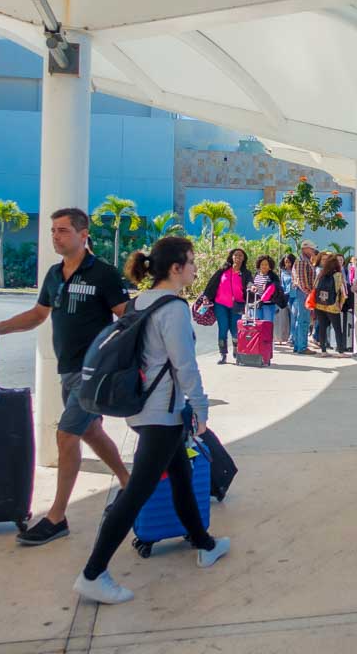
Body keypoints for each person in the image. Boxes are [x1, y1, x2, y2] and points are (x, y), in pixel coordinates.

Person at [73, 236, 230, 604]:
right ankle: (92, 572)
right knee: (136, 493)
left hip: (144, 409)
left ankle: (204, 542)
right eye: (191, 262)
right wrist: (202, 409)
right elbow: (184, 365)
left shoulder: (140, 301)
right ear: (175, 269)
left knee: (181, 474)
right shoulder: (174, 309)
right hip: (162, 412)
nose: (194, 268)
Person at [0, 207, 131, 546]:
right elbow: (38, 315)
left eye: (62, 231)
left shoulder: (104, 274)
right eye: (53, 231)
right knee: (89, 430)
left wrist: (114, 362)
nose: (56, 237)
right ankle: (128, 482)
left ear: (83, 234)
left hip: (94, 373)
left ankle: (57, 517)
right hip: (69, 370)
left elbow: (125, 319)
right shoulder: (54, 275)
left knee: (66, 435)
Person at [202, 248, 251, 364]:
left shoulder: (246, 273)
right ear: (231, 257)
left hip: (237, 305)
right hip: (221, 304)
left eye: (240, 256)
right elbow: (212, 282)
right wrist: (206, 295)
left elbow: (249, 282)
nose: (238, 258)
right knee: (222, 329)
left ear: (243, 259)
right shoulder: (223, 270)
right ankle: (223, 355)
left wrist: (251, 286)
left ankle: (236, 349)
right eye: (236, 255)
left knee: (235, 330)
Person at [313, 253, 347, 356]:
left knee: (323, 327)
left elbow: (314, 287)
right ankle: (341, 352)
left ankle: (323, 351)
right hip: (332, 305)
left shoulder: (321, 274)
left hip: (319, 305)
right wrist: (341, 304)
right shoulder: (338, 275)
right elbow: (342, 292)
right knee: (337, 328)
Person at [292, 241, 318, 355]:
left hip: (302, 293)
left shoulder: (303, 261)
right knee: (304, 320)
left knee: (300, 319)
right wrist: (310, 294)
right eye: (311, 249)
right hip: (304, 293)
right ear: (305, 249)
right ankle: (302, 347)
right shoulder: (302, 261)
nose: (313, 252)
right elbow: (302, 281)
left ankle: (298, 345)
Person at [276, 253, 296, 347]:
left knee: (294, 317)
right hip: (286, 296)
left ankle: (292, 338)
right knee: (287, 318)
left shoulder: (296, 271)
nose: (287, 264)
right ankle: (288, 336)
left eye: (289, 262)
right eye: (286, 262)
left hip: (295, 295)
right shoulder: (283, 272)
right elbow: (283, 285)